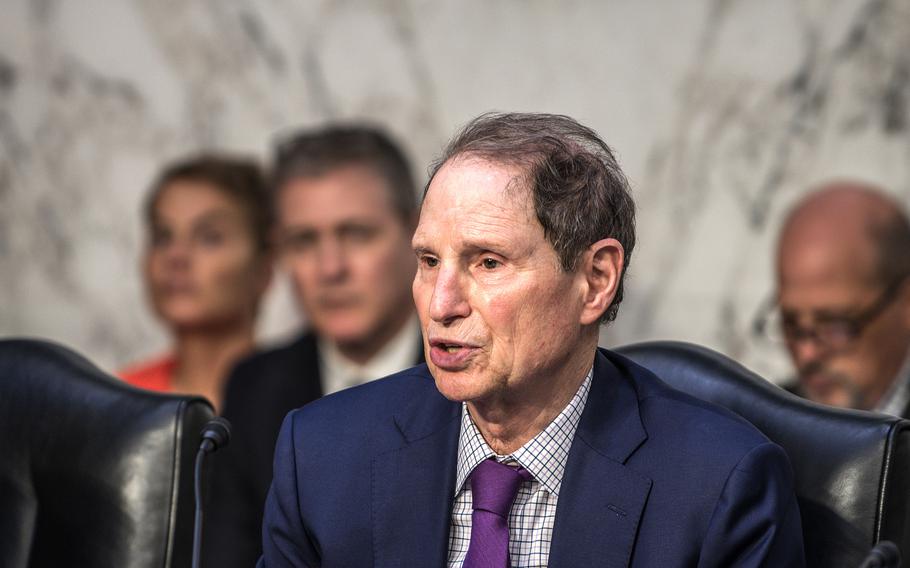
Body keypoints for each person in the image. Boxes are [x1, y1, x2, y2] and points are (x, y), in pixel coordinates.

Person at [259, 112, 805, 567]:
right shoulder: (322, 457)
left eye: (488, 262)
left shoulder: (720, 486)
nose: (441, 304)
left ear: (595, 280)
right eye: (428, 261)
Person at [204, 126, 423, 568]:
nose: (330, 268)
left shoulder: (476, 376)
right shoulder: (254, 387)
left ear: (417, 236)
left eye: (356, 234)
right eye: (303, 241)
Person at [119, 155, 272, 411]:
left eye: (209, 238)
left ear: (264, 268)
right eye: (162, 237)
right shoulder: (119, 402)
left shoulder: (305, 405)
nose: (176, 256)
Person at [762, 181, 910, 414]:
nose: (807, 353)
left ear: (905, 302)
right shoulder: (771, 424)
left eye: (834, 325)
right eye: (791, 324)